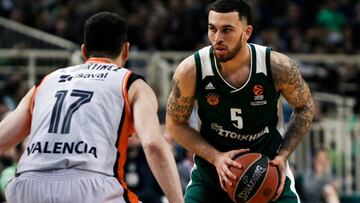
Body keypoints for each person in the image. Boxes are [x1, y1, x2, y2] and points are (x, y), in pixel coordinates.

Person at [0, 12, 184, 203]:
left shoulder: (46, 81)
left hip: (27, 186)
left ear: (84, 51)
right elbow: (153, 144)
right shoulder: (131, 83)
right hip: (91, 186)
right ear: (126, 50)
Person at [166, 0, 315, 202]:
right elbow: (175, 123)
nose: (218, 38)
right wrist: (216, 157)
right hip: (212, 175)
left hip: (265, 173)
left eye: (227, 30)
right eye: (212, 29)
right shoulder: (190, 70)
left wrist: (283, 155)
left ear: (247, 32)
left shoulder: (277, 67)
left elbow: (305, 106)